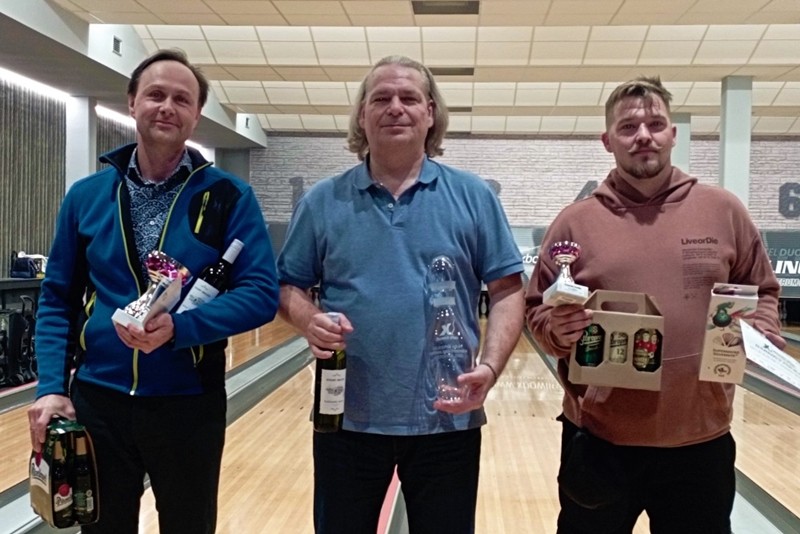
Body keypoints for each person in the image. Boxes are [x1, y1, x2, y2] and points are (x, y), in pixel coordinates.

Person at [27, 49, 280, 534]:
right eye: (155, 94)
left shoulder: (229, 197)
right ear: (132, 103)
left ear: (196, 115)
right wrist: (52, 388)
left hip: (188, 402)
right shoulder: (86, 196)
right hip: (99, 400)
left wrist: (181, 329)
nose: (167, 107)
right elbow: (57, 298)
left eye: (182, 99)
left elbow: (260, 293)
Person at [525, 76, 785, 534]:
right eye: (628, 127)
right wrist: (555, 330)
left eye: (655, 124)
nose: (643, 135)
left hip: (699, 441)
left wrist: (761, 332)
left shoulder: (723, 210)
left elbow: (762, 291)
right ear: (608, 140)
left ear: (672, 134)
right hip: (600, 440)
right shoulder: (575, 222)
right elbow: (538, 308)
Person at [277, 55, 524, 533]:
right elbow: (288, 285)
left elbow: (508, 290)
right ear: (362, 114)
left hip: (448, 413)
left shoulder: (474, 196)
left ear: (430, 113)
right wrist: (308, 319)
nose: (395, 108)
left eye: (409, 98)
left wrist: (491, 368)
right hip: (345, 417)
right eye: (381, 98)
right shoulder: (322, 201)